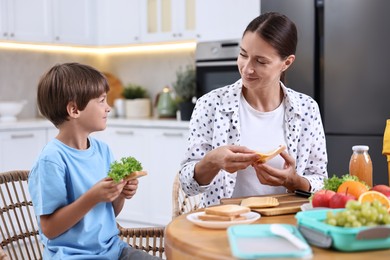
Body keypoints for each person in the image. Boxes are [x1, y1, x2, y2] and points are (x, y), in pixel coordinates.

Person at [179, 12, 328, 207]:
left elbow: (321, 181)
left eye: (261, 61)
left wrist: (293, 181)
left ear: (287, 63)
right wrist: (212, 161)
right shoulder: (210, 104)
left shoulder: (307, 109)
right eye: (243, 54)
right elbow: (187, 185)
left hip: (286, 224)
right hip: (224, 226)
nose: (247, 69)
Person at [28, 63, 158, 259]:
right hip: (73, 256)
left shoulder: (102, 150)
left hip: (113, 250)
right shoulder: (52, 160)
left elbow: (108, 214)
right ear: (74, 110)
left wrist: (120, 194)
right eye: (101, 101)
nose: (108, 108)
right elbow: (49, 228)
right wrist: (92, 197)